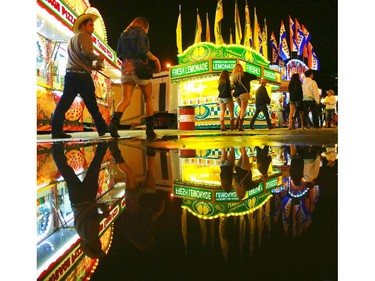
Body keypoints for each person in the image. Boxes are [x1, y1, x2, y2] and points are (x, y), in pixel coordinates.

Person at [51, 13, 108, 139]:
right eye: (90, 25)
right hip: (82, 76)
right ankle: (102, 127)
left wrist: (93, 66)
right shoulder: (85, 35)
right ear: (83, 26)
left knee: (64, 103)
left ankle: (56, 129)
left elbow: (80, 59)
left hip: (71, 75)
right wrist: (99, 58)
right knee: (92, 104)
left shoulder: (73, 38)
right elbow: (87, 52)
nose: (92, 28)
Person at [52, 142, 109, 259]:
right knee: (67, 172)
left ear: (92, 246)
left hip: (86, 198)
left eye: (98, 247)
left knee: (95, 167)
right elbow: (87, 216)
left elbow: (92, 220)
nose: (100, 244)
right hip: (76, 200)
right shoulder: (82, 234)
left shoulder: (91, 236)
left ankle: (104, 143)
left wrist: (103, 215)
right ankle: (57, 148)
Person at [109, 17, 161, 140]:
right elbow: (143, 50)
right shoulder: (140, 32)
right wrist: (154, 58)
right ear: (144, 26)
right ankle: (150, 131)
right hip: (140, 69)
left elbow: (118, 54)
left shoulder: (123, 35)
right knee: (148, 99)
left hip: (126, 69)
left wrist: (128, 62)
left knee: (125, 99)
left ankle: (113, 125)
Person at [108, 140, 165, 252]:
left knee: (150, 171)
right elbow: (125, 218)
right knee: (128, 173)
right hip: (133, 203)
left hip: (146, 199)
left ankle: (150, 144)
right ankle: (114, 149)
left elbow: (157, 211)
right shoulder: (131, 233)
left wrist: (157, 208)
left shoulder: (149, 229)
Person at [230, 64, 257, 131]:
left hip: (236, 95)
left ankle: (236, 123)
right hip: (243, 94)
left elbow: (232, 87)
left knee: (241, 108)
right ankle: (240, 126)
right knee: (243, 109)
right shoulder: (245, 74)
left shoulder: (233, 76)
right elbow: (255, 77)